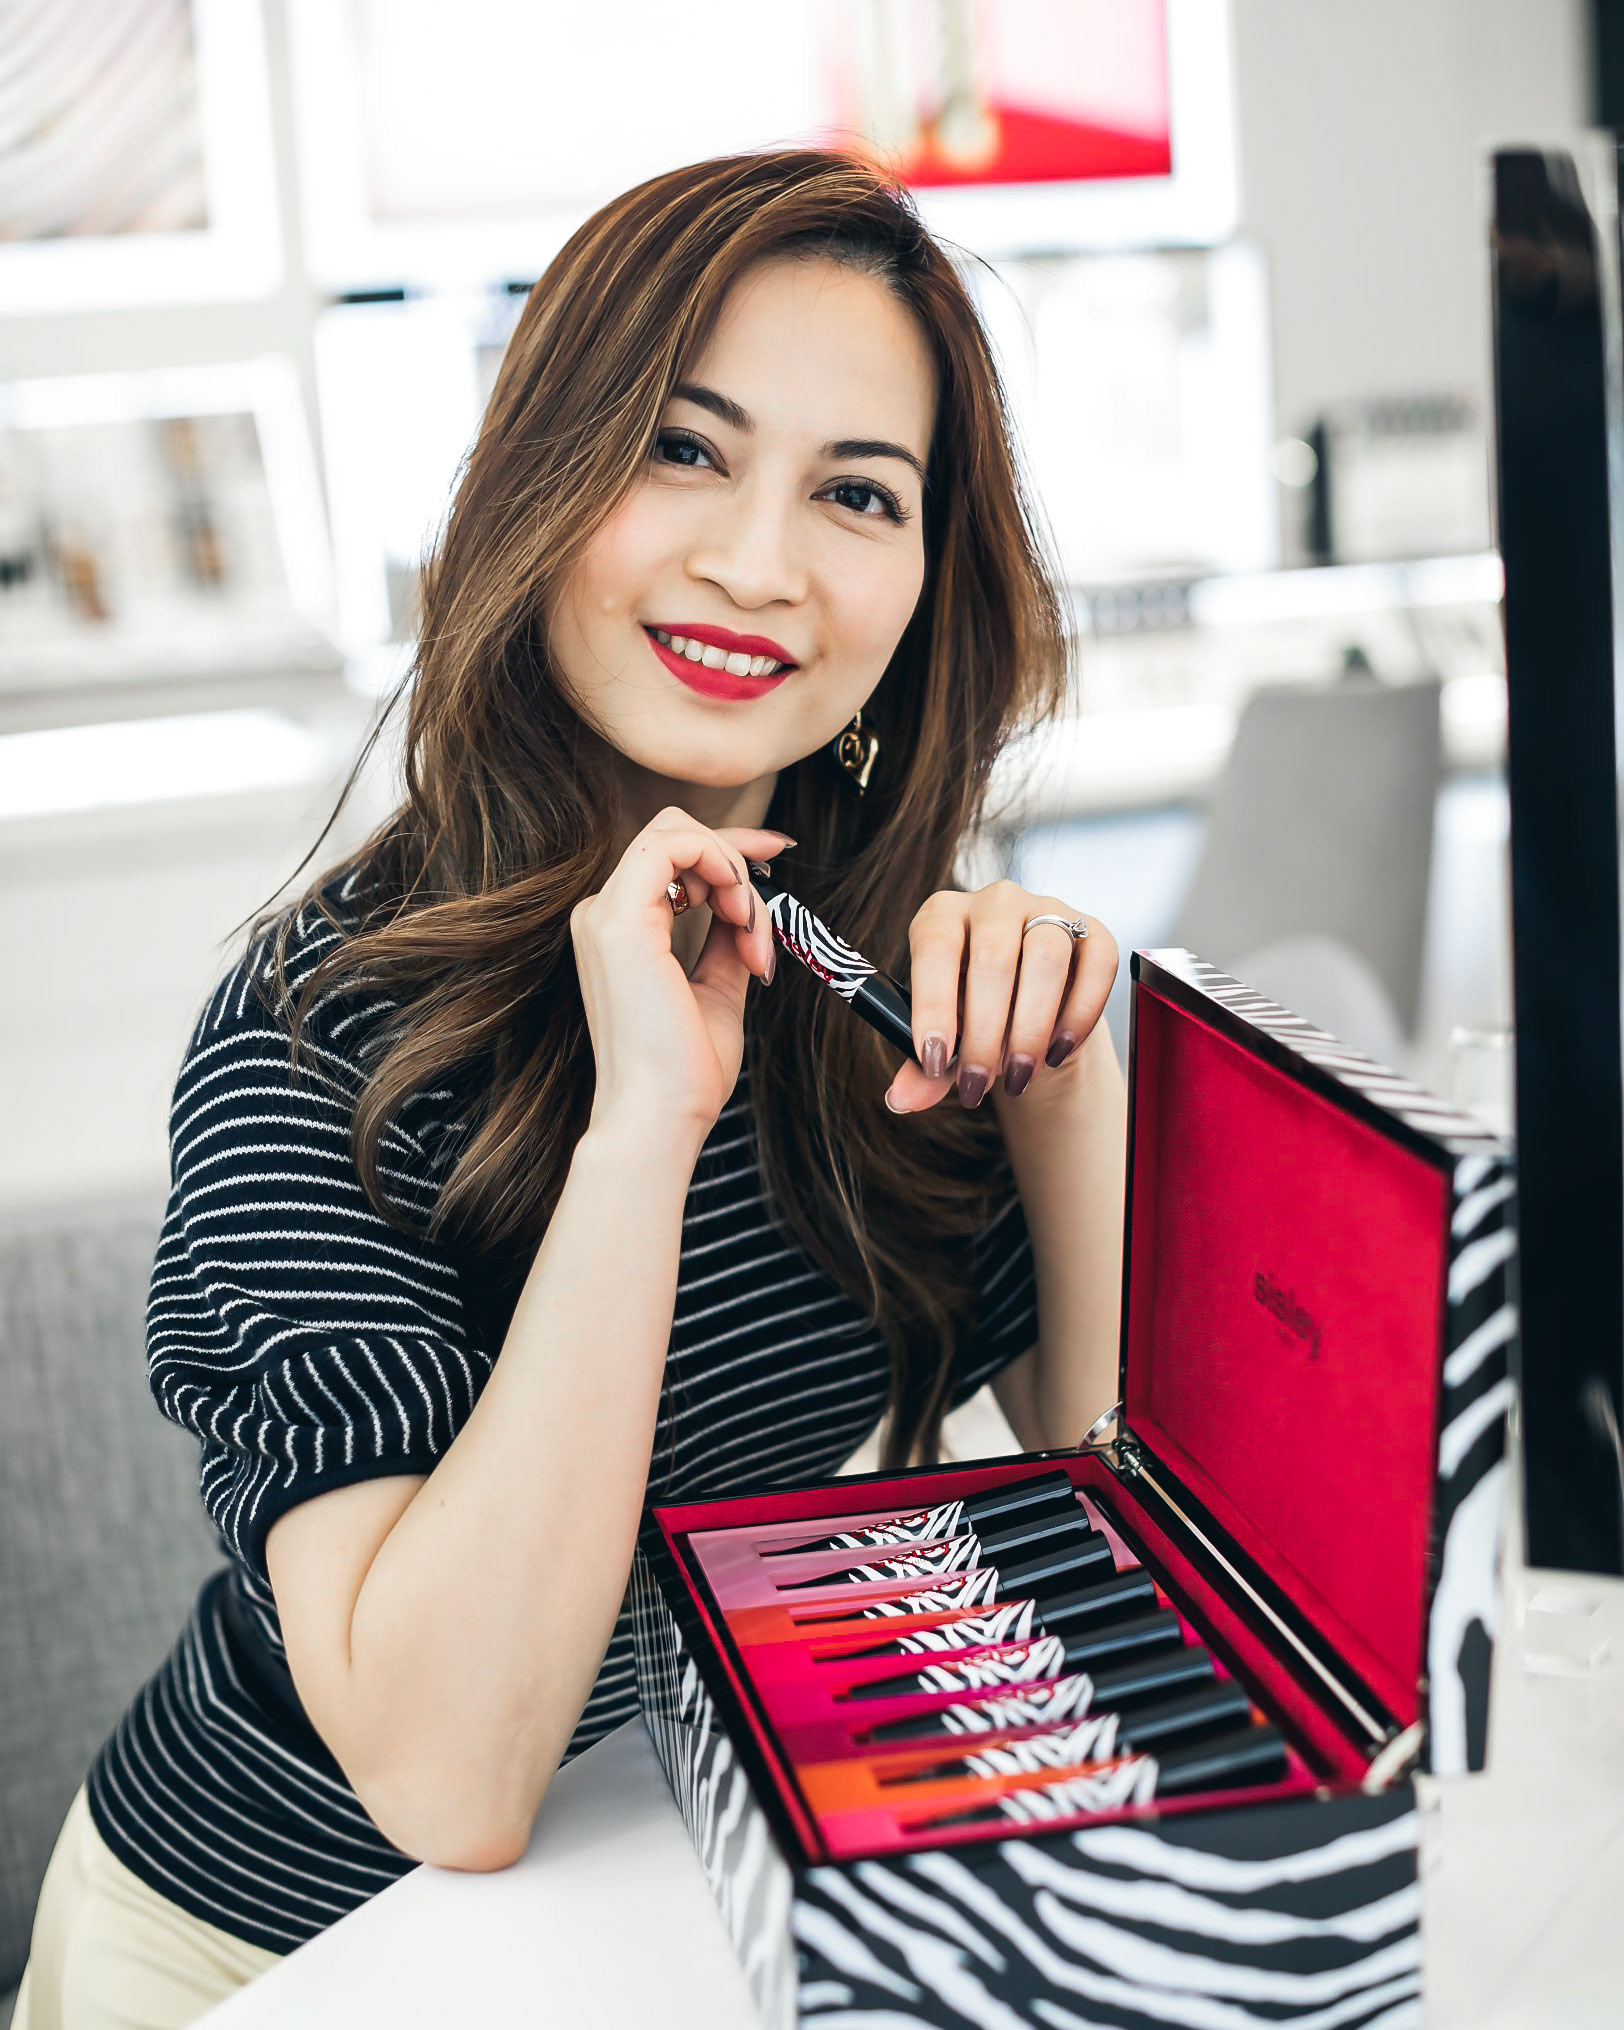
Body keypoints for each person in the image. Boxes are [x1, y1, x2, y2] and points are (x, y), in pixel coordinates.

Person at [14, 148, 1124, 2030]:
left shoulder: (858, 979)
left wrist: (1063, 1071)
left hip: (635, 1911)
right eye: (684, 450)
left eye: (857, 492)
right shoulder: (315, 1035)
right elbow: (447, 1778)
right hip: (263, 1959)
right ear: (543, 475)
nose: (758, 562)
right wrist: (643, 1127)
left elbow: (1117, 1497)